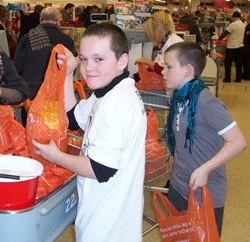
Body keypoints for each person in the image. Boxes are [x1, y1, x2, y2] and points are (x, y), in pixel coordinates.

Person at [32, 22, 146, 241]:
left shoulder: (116, 104)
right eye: (83, 59)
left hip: (107, 225)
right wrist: (68, 74)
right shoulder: (107, 92)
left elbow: (100, 168)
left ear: (122, 61)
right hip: (110, 215)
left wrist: (55, 156)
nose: (88, 67)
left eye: (98, 59)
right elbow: (73, 117)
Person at [162, 41, 247, 236]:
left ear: (187, 70)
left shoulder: (207, 102)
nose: (163, 71)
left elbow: (238, 141)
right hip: (179, 185)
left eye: (169, 66)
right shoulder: (179, 98)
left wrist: (206, 168)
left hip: (204, 193)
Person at [14, 7, 77, 100]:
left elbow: (17, 67)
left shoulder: (27, 38)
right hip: (57, 92)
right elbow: (72, 68)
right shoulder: (67, 41)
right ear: (58, 20)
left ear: (40, 20)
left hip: (31, 92)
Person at [135, 11, 184, 75]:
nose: (152, 38)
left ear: (157, 30)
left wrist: (146, 61)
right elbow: (155, 66)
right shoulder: (167, 41)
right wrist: (135, 77)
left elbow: (163, 70)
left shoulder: (174, 44)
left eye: (151, 34)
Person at [218, 11, 246, 83]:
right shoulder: (243, 24)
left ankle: (227, 79)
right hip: (240, 46)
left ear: (234, 17)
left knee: (228, 64)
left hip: (231, 47)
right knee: (238, 64)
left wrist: (219, 39)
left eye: (232, 17)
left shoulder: (233, 25)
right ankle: (238, 78)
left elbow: (224, 33)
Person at [243, 14, 250, 80]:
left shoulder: (248, 26)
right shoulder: (248, 25)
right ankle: (245, 74)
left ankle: (247, 76)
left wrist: (247, 34)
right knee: (246, 61)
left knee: (247, 62)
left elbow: (247, 35)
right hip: (246, 46)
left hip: (248, 46)